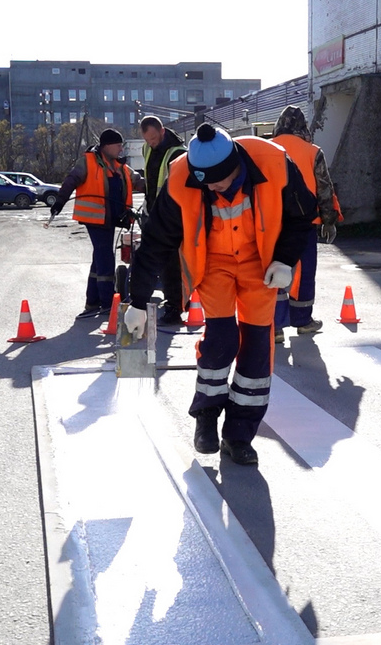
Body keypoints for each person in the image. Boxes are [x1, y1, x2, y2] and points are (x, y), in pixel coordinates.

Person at [124, 123, 316, 465]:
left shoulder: (273, 162)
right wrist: (138, 301)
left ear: (237, 167)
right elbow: (155, 241)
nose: (212, 187)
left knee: (258, 346)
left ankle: (239, 435)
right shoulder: (183, 177)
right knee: (221, 339)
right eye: (206, 183)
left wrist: (285, 260)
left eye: (219, 181)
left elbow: (302, 216)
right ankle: (206, 417)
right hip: (213, 264)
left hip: (261, 263)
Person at [270, 105, 342, 344]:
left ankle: (275, 326)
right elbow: (324, 187)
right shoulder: (312, 151)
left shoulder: (268, 149)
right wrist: (328, 220)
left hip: (271, 221)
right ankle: (302, 321)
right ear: (302, 126)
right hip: (304, 220)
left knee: (273, 269)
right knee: (303, 272)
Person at [51, 129, 134, 319]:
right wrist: (59, 202)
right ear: (106, 146)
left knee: (99, 258)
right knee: (105, 257)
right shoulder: (88, 162)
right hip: (95, 219)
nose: (121, 148)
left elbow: (138, 181)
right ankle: (107, 303)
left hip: (111, 219)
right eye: (118, 144)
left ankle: (92, 301)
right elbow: (70, 181)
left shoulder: (118, 166)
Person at [138, 115, 188, 325]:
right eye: (147, 139)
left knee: (171, 263)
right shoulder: (147, 149)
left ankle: (174, 307)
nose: (151, 143)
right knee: (151, 258)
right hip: (152, 212)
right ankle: (148, 302)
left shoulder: (178, 153)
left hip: (171, 215)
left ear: (162, 131)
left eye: (153, 138)